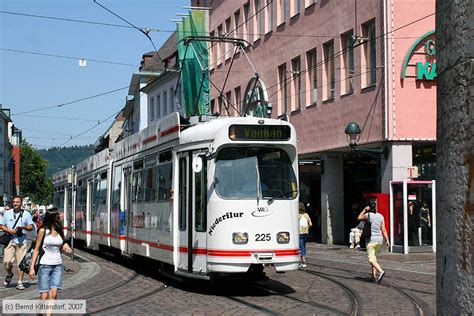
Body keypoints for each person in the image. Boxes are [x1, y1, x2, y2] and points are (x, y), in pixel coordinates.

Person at [29, 208, 72, 301]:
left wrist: (65, 245)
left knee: (54, 293)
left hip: (57, 265)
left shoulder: (60, 231)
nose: (60, 217)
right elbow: (36, 250)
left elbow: (60, 248)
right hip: (44, 265)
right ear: (52, 217)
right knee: (44, 296)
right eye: (58, 216)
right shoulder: (43, 231)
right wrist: (32, 267)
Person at [0, 196, 34, 290]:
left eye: (17, 202)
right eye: (14, 202)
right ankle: (10, 274)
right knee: (7, 261)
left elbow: (31, 227)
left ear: (21, 203)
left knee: (21, 264)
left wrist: (22, 227)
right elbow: (2, 226)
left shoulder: (26, 214)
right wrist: (9, 230)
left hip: (22, 241)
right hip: (10, 240)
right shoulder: (7, 213)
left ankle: (20, 282)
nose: (15, 203)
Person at [358, 201, 390, 283]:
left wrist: (364, 210)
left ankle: (381, 271)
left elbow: (359, 218)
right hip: (379, 240)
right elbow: (383, 229)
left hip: (371, 240)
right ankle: (373, 277)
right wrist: (387, 240)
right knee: (374, 258)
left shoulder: (368, 215)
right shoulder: (381, 216)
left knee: (371, 259)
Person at [298, 202, 312, 268]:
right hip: (306, 233)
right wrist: (306, 228)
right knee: (303, 245)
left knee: (301, 247)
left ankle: (303, 261)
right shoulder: (306, 215)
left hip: (299, 232)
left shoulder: (298, 215)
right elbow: (311, 224)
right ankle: (302, 261)